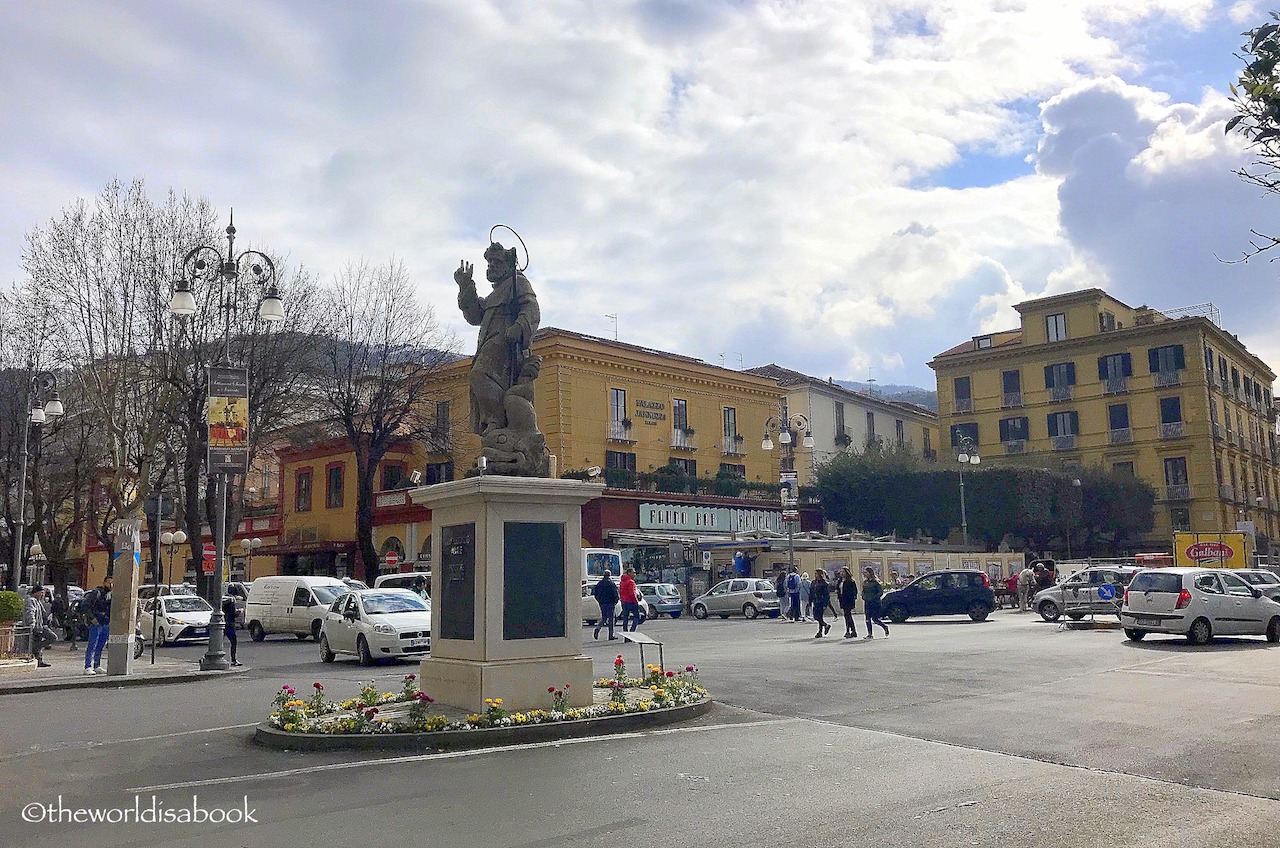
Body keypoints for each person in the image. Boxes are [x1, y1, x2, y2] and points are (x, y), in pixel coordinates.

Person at [81, 575, 112, 675]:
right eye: (109, 583)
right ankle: (88, 666)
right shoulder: (96, 593)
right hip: (96, 622)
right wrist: (92, 618)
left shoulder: (111, 595)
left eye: (112, 583)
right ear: (104, 583)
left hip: (105, 622)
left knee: (100, 645)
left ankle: (96, 665)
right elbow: (85, 606)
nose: (111, 585)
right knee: (92, 644)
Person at [22, 585, 56, 668]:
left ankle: (39, 658)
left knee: (45, 639)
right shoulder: (31, 600)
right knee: (51, 637)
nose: (43, 594)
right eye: (41, 592)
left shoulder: (38, 601)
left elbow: (43, 614)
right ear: (36, 592)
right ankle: (37, 655)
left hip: (41, 626)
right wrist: (32, 623)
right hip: (35, 626)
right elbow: (30, 612)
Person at [591, 569, 620, 641]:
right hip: (610, 603)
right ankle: (611, 635)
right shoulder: (611, 583)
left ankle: (598, 628)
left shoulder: (599, 583)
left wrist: (599, 601)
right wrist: (615, 601)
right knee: (611, 619)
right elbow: (615, 594)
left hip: (602, 603)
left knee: (604, 617)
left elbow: (595, 594)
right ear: (609, 575)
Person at [862, 567, 890, 640]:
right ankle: (870, 634)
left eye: (866, 572)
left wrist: (873, 598)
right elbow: (863, 591)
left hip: (875, 603)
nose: (864, 574)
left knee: (875, 619)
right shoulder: (865, 582)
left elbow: (880, 592)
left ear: (870, 573)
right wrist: (864, 596)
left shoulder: (876, 582)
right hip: (867, 603)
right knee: (867, 619)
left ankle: (885, 627)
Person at [810, 569, 835, 638]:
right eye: (815, 573)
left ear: (820, 574)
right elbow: (811, 592)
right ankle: (825, 626)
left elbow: (826, 594)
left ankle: (820, 631)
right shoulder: (813, 582)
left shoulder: (824, 583)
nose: (815, 575)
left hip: (821, 601)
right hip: (815, 601)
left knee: (819, 616)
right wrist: (810, 600)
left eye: (816, 573)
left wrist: (825, 604)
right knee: (817, 616)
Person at [837, 567, 859, 639]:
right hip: (842, 600)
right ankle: (852, 630)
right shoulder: (840, 581)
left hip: (848, 600)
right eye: (841, 572)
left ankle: (849, 630)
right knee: (846, 616)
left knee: (848, 615)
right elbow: (838, 589)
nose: (842, 573)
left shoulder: (851, 581)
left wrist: (853, 598)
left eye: (843, 572)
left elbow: (854, 591)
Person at [619, 567, 642, 633]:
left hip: (624, 602)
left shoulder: (622, 582)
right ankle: (632, 632)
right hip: (631, 602)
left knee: (625, 618)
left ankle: (625, 633)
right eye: (633, 572)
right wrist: (636, 601)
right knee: (637, 617)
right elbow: (632, 593)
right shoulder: (631, 582)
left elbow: (620, 592)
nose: (635, 574)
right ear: (629, 573)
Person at [221, 591, 241, 667]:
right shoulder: (231, 604)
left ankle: (205, 657)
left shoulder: (222, 606)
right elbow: (233, 614)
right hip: (230, 625)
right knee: (233, 642)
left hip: (223, 624)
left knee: (218, 642)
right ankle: (233, 660)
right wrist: (239, 612)